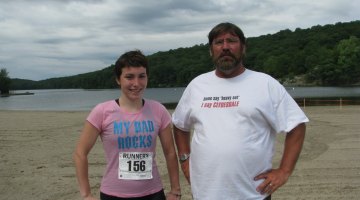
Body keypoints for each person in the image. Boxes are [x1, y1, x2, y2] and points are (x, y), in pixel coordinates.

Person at [172, 22, 309, 200]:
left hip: (253, 194)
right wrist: (185, 160)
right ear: (211, 50)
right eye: (219, 42)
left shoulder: (265, 83)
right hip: (206, 193)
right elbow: (180, 125)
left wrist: (284, 171)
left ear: (243, 48)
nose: (225, 47)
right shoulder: (197, 85)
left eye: (232, 41)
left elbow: (296, 124)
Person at [74, 50, 181, 200]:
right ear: (118, 79)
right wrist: (86, 195)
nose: (136, 84)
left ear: (147, 78)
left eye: (141, 76)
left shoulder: (158, 110)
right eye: (129, 77)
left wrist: (175, 190)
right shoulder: (102, 111)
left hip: (153, 193)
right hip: (113, 194)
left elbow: (170, 152)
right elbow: (80, 153)